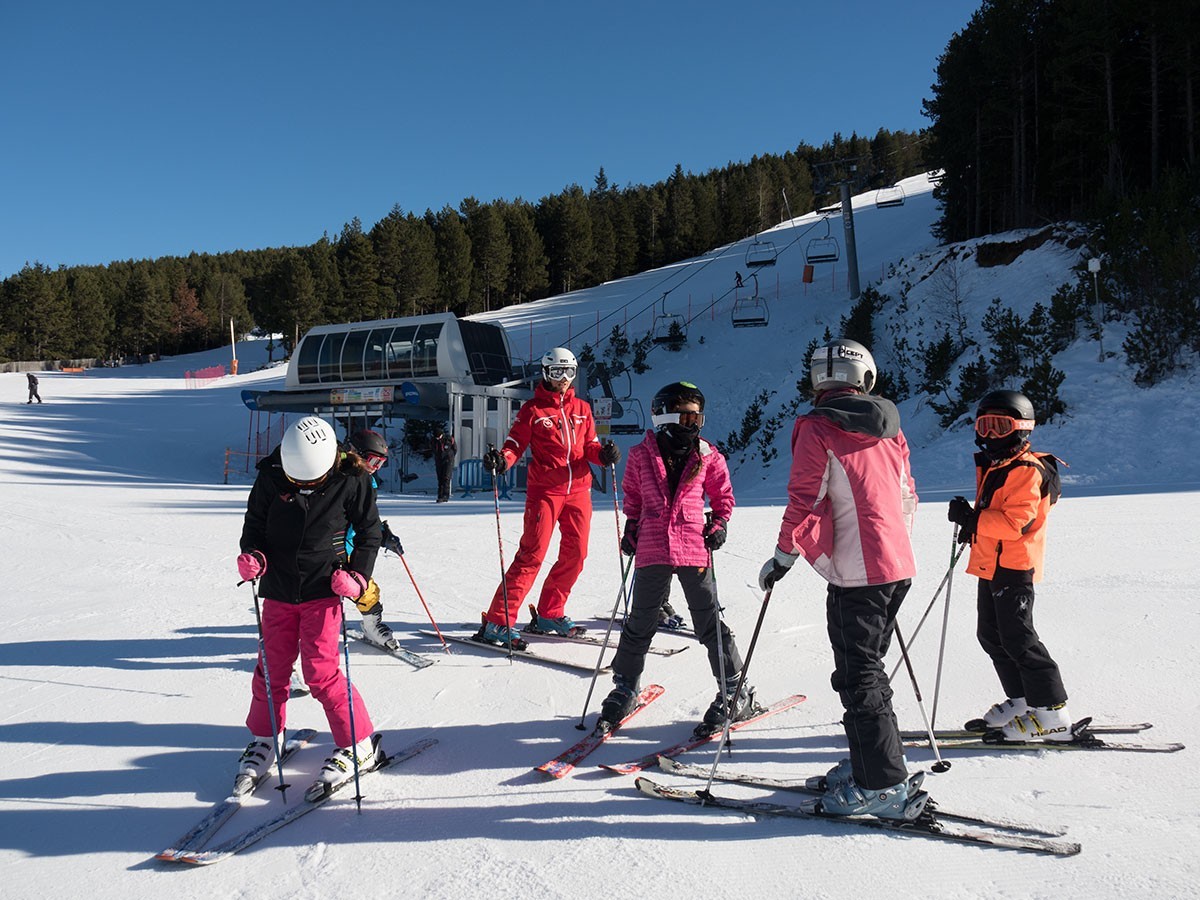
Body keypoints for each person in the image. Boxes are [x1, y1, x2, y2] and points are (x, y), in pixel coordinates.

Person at [758, 338, 927, 821]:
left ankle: (882, 784)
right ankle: (870, 765)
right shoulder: (889, 424)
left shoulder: (816, 427)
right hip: (896, 566)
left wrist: (783, 556)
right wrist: (891, 555)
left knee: (859, 675)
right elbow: (908, 494)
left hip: (860, 573)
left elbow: (805, 498)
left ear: (818, 381)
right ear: (865, 379)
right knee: (864, 668)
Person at [234, 415, 384, 801]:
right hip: (279, 587)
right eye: (296, 481)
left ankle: (359, 743)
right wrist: (252, 556)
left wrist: (358, 576)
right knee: (271, 669)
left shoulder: (353, 477)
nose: (302, 487)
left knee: (320, 672)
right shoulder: (271, 474)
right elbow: (255, 525)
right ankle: (267, 737)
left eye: (310, 483)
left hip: (323, 586)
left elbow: (369, 532)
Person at [601, 381, 756, 737]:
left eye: (698, 417)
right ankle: (625, 686)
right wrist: (632, 526)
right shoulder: (642, 455)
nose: (694, 425)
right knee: (640, 621)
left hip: (692, 545)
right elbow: (634, 498)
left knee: (708, 622)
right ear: (667, 418)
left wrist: (719, 523)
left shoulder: (707, 454)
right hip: (653, 546)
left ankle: (735, 689)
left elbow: (723, 496)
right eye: (688, 417)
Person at [947, 389, 1071, 741]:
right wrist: (972, 529)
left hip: (1015, 568)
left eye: (999, 427)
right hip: (992, 564)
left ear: (1021, 429)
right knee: (991, 636)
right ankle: (1021, 700)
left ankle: (1052, 715)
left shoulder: (1026, 471)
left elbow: (1017, 523)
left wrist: (973, 521)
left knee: (1019, 639)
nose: (989, 435)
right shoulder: (999, 466)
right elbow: (995, 517)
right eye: (984, 426)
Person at [477, 347, 620, 646]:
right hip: (545, 491)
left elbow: (590, 446)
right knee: (532, 555)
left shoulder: (582, 408)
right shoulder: (533, 410)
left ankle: (550, 612)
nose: (564, 379)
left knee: (576, 554)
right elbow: (514, 444)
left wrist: (603, 455)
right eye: (557, 372)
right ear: (546, 373)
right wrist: (503, 460)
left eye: (570, 372)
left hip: (579, 490)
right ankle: (497, 620)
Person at [431, 422, 456, 503]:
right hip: (439, 460)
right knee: (440, 478)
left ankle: (445, 495)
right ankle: (440, 495)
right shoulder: (434, 441)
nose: (437, 438)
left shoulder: (448, 439)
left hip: (448, 460)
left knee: (446, 477)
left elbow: (455, 448)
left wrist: (450, 457)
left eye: (438, 437)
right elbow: (434, 450)